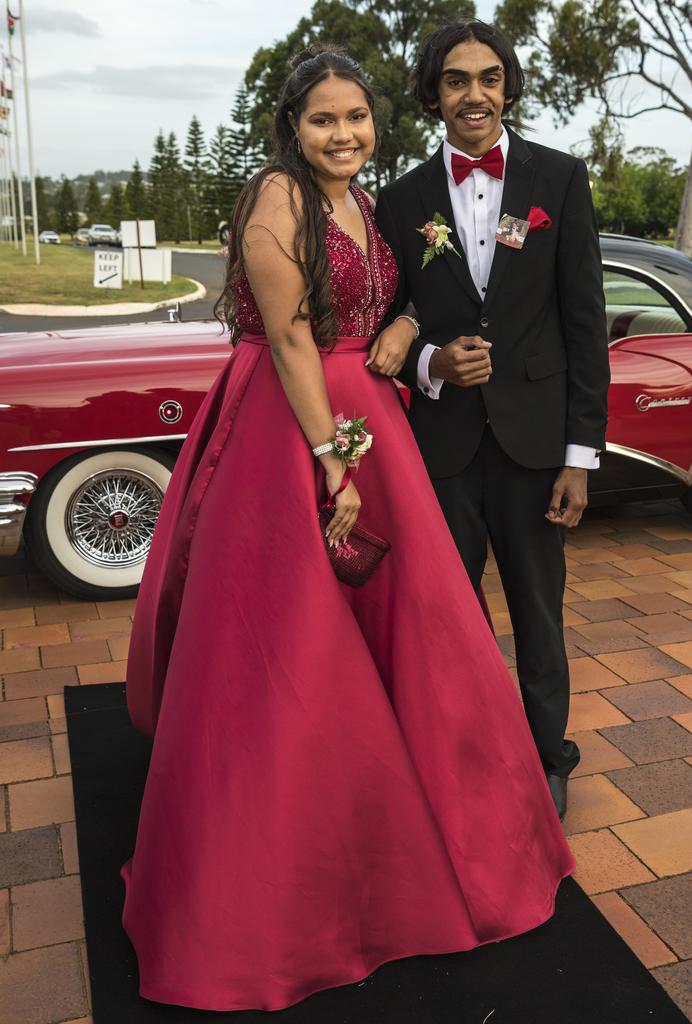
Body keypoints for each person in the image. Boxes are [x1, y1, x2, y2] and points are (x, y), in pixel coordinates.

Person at [121, 48, 575, 1014]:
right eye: (325, 120)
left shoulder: (368, 204)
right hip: (290, 428)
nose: (344, 134)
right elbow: (288, 336)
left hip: (370, 418)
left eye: (358, 119)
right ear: (293, 124)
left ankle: (434, 823)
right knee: (285, 642)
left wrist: (405, 332)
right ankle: (278, 873)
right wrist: (331, 457)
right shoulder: (274, 200)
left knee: (418, 629)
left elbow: (394, 299)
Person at [372, 20, 610, 820]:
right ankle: (470, 757)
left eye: (488, 78)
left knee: (540, 616)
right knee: (452, 619)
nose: (473, 93)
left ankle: (548, 759)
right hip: (441, 446)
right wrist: (432, 364)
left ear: (508, 87)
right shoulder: (400, 200)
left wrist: (580, 456)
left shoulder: (560, 179)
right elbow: (386, 324)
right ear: (432, 93)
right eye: (454, 79)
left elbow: (584, 323)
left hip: (538, 445)